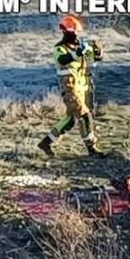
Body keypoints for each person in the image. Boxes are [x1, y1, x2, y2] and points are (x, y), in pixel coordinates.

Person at [39, 14, 104, 157]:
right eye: (73, 33)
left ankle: (46, 142)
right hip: (69, 89)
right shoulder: (59, 49)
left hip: (81, 88)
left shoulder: (80, 46)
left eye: (76, 32)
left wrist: (98, 52)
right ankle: (91, 148)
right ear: (65, 32)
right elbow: (63, 60)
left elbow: (95, 58)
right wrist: (77, 53)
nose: (76, 35)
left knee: (70, 120)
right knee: (85, 116)